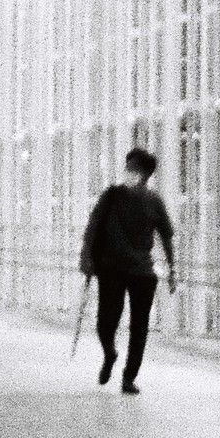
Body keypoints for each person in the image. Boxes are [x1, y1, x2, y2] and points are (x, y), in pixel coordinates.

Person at [79, 147, 177, 395]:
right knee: (105, 322)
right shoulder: (111, 196)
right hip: (111, 268)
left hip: (142, 272)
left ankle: (128, 377)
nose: (129, 173)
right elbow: (93, 227)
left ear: (145, 174)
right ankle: (110, 352)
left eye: (134, 169)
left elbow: (166, 236)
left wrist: (173, 268)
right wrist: (86, 257)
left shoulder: (154, 201)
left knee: (139, 326)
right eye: (128, 168)